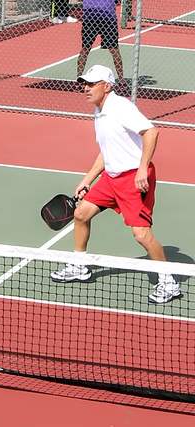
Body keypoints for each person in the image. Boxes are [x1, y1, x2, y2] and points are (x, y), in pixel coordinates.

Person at [50, 65, 180, 304]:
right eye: (84, 84)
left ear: (107, 86)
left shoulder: (120, 107)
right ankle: (80, 266)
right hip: (110, 179)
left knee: (141, 234)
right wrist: (87, 180)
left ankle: (169, 283)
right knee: (81, 214)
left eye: (91, 84)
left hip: (133, 179)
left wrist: (142, 169)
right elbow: (106, 151)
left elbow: (151, 132)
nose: (85, 88)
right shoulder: (99, 112)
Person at [76, 0, 124, 89]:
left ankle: (121, 81)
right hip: (93, 18)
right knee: (86, 48)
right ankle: (79, 79)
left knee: (113, 49)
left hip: (106, 18)